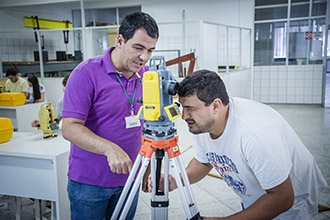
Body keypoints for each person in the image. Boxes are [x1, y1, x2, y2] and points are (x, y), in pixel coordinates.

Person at [151, 69, 328, 219]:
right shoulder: (202, 123)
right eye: (183, 107)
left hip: (291, 203)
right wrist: (176, 181)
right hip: (258, 196)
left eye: (190, 108)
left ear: (215, 105)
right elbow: (203, 162)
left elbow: (283, 198)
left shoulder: (255, 133)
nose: (184, 116)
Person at [61, 12, 159, 220]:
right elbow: (69, 127)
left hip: (129, 178)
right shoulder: (85, 74)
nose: (144, 57)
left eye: (150, 50)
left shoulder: (147, 75)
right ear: (120, 40)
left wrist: (148, 166)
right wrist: (109, 148)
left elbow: (147, 123)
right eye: (138, 48)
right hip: (90, 183)